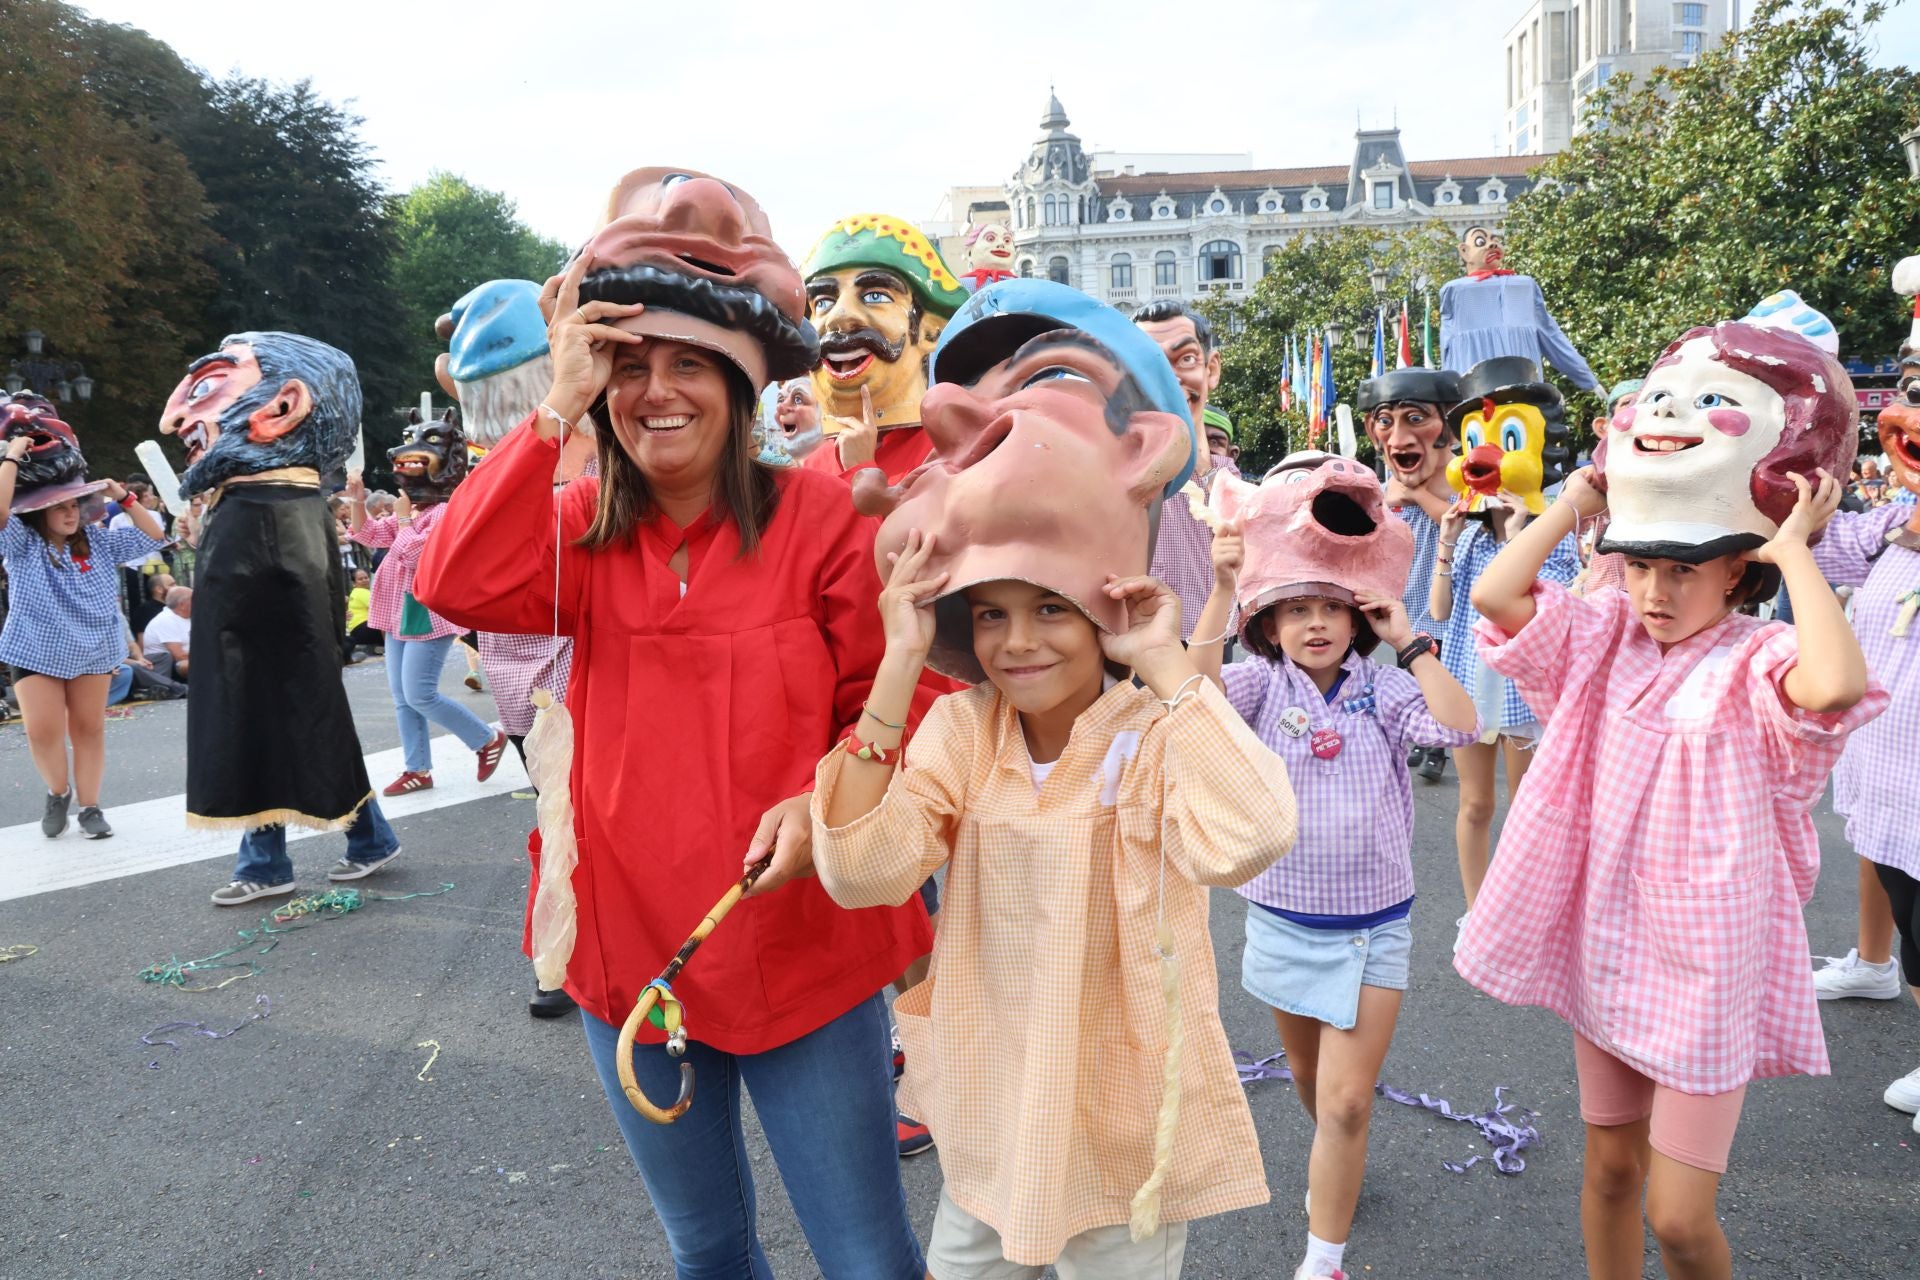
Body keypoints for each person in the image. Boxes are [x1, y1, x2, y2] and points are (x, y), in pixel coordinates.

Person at [415, 166, 932, 1277]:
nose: (658, 392)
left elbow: (908, 689)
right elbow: (454, 580)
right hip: (632, 953)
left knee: (869, 1256)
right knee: (706, 1249)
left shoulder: (825, 519)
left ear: (743, 384)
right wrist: (553, 406)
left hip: (801, 944)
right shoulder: (575, 527)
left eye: (690, 362)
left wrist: (828, 791)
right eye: (627, 365)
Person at [813, 278, 1284, 1278]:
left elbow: (1252, 835)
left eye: (1050, 607)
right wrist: (898, 663)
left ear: (1099, 607)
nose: (1018, 641)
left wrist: (1164, 665)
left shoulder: (1154, 732)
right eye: (990, 612)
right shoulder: (962, 731)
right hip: (990, 1135)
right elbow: (862, 869)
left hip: (1120, 1145)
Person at [1457, 318, 1881, 1280]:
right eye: (1642, 563)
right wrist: (1578, 499)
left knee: (1682, 1217)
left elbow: (1835, 689)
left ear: (1738, 568)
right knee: (1608, 1167)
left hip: (1705, 969)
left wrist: (1795, 551)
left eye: (1683, 567)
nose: (1654, 589)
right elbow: (1497, 596)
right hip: (1607, 940)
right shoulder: (1604, 637)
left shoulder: (1757, 658)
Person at [1187, 454, 1478, 1280]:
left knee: (1348, 1101)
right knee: (1318, 1089)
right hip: (1281, 918)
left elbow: (1458, 730)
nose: (1315, 623)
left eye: (1331, 608)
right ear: (1268, 626)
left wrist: (1412, 642)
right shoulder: (1254, 687)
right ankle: (1339, 1159)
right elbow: (1191, 698)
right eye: (1296, 610)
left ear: (1356, 620)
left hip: (1373, 927)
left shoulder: (1382, 694)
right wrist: (1220, 588)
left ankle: (1325, 1259)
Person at [158, 330, 404, 904]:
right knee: (289, 711)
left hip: (258, 540)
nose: (176, 416)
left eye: (210, 385)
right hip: (261, 531)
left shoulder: (260, 504)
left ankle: (280, 859)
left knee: (264, 709)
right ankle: (346, 843)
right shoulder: (277, 500)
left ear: (284, 406)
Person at [434, 275, 600, 1019]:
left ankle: (558, 961)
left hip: (530, 667)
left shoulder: (500, 456)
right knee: (579, 818)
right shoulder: (569, 446)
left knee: (561, 818)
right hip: (559, 667)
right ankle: (567, 958)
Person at [1808, 330, 1920, 1124]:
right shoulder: (1899, 519)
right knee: (1912, 926)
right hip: (1891, 778)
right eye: (1912, 388)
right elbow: (1827, 547)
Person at [1426, 358, 1580, 912]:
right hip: (1469, 683)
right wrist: (1445, 541)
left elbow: (1543, 618)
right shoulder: (1466, 539)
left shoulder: (1550, 537)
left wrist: (1519, 540)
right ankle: (1476, 909)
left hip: (1521, 690)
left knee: (1525, 806)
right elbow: (1439, 612)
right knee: (1474, 805)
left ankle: (1526, 910)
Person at [0, 398, 166, 840]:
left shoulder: (98, 539)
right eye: (60, 507)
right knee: (42, 729)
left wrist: (124, 497)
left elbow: (157, 535)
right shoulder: (21, 544)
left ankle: (91, 807)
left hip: (92, 646)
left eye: (75, 504)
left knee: (89, 728)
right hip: (35, 644)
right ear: (40, 512)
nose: (71, 512)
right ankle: (58, 792)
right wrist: (12, 456)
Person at [347, 408, 509, 798]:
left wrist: (402, 521)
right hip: (396, 613)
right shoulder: (418, 509)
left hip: (426, 612)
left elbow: (414, 556)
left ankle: (485, 739)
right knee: (403, 698)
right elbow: (368, 534)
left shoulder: (449, 510)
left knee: (420, 694)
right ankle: (417, 768)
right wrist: (357, 501)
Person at [801, 213, 967, 486]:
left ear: (930, 330)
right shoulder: (810, 469)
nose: (839, 316)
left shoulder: (951, 455)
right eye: (823, 302)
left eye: (874, 296)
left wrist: (861, 471)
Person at [1361, 365, 1464, 782]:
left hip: (1447, 598)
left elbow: (1459, 522)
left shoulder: (1464, 476)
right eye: (1386, 422)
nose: (1398, 437)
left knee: (1440, 669)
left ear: (1450, 426)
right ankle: (1421, 736)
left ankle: (1438, 744)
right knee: (1412, 668)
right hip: (1410, 598)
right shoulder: (1392, 482)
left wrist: (1418, 495)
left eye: (1416, 419)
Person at [1132, 299, 1220, 640]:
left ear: (1210, 370)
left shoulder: (1233, 484)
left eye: (1185, 360)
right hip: (1135, 647)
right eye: (1149, 364)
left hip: (1212, 645)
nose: (1169, 380)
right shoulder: (1109, 477)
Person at [141, 585, 192, 683]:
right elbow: (179, 655)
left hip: (190, 657)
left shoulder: (191, 618)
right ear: (182, 604)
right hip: (171, 664)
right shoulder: (166, 619)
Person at [128, 570, 176, 642]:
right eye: (171, 585)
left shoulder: (174, 606)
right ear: (159, 589)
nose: (176, 587)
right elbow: (143, 639)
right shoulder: (145, 610)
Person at [344, 568, 378, 659]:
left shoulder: (355, 593)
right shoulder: (361, 592)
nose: (364, 580)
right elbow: (377, 607)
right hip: (363, 629)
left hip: (356, 631)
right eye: (360, 579)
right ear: (354, 583)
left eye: (366, 578)